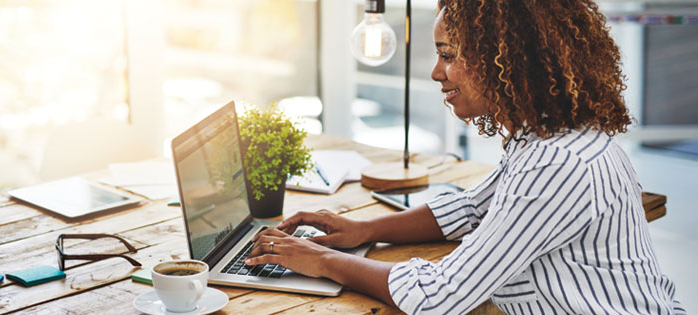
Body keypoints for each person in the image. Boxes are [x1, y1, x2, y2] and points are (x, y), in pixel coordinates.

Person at [244, 1, 686, 314]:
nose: (437, 73)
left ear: (505, 59)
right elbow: (473, 208)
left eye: (447, 55)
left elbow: (441, 296)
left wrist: (320, 261)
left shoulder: (557, 163)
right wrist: (363, 229)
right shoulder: (548, 138)